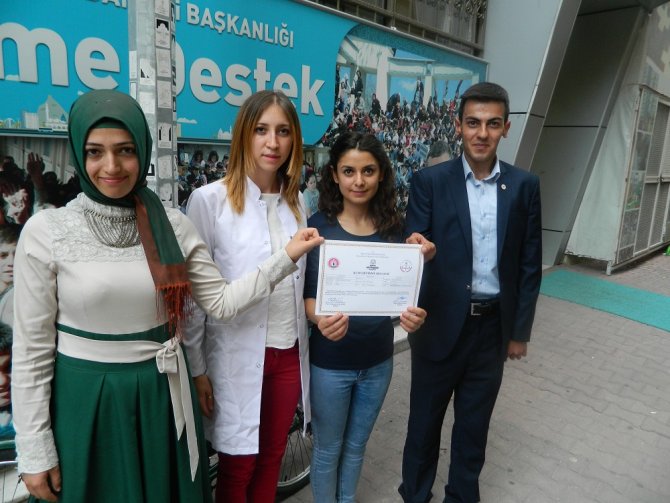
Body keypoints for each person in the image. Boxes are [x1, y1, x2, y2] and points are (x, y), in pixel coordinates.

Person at [11, 89, 322, 503]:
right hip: (87, 399)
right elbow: (32, 350)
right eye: (95, 152)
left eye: (125, 150)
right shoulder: (47, 231)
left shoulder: (172, 226)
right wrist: (34, 448)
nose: (112, 166)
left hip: (161, 395)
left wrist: (285, 259)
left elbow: (219, 302)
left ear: (142, 151)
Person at [399, 82, 542, 503]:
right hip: (438, 325)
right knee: (423, 425)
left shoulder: (524, 185)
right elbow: (414, 242)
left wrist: (519, 332)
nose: (482, 133)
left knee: (473, 430)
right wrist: (416, 248)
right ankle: (416, 496)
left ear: (506, 129)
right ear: (459, 125)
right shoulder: (429, 181)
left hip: (491, 331)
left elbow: (529, 263)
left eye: (492, 124)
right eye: (473, 123)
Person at [182, 89, 313, 503]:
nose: (272, 142)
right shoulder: (210, 201)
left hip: (287, 353)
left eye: (283, 131)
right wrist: (198, 369)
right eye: (261, 130)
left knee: (272, 459)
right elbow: (194, 300)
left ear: (294, 140)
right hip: (234, 356)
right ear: (243, 134)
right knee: (238, 467)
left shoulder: (297, 202)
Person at [304, 132, 431, 503]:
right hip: (330, 364)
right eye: (349, 171)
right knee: (328, 449)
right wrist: (319, 319)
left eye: (368, 171)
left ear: (381, 174)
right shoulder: (318, 227)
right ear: (334, 175)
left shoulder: (395, 230)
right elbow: (307, 297)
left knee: (357, 446)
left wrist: (413, 316)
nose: (358, 181)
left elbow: (406, 294)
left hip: (378, 361)